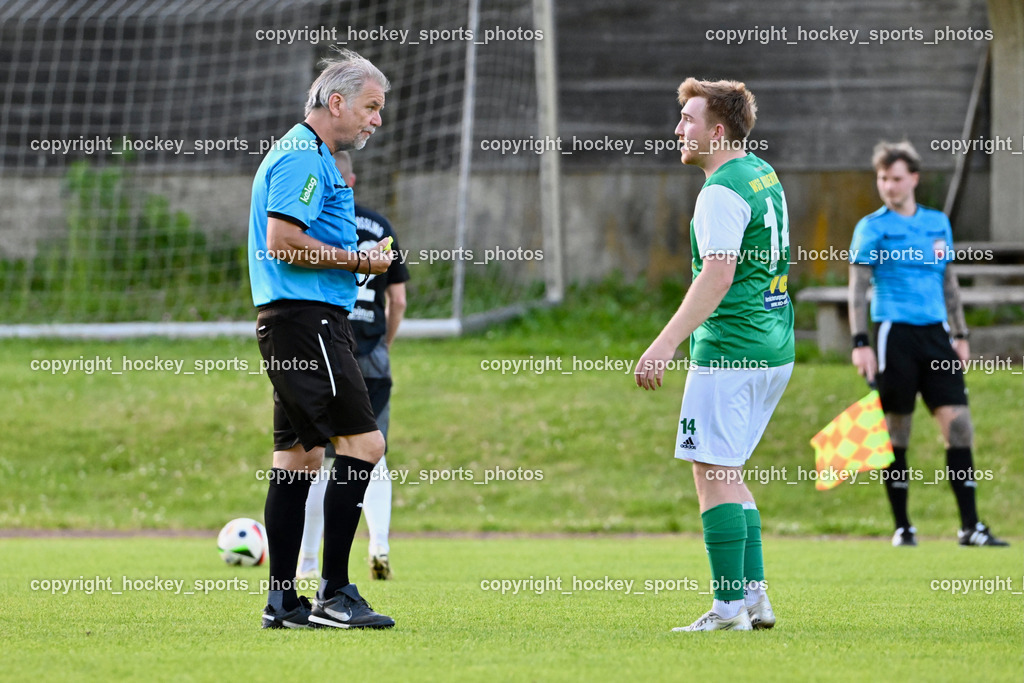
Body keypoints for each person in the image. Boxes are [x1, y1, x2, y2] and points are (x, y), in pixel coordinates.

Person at [635, 78, 794, 632]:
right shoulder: (762, 174)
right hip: (774, 344)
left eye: (688, 119)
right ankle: (754, 599)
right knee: (728, 470)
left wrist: (665, 342)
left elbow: (718, 273)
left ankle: (728, 608)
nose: (678, 129)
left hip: (732, 347)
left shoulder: (721, 190)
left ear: (717, 130)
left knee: (710, 471)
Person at [248, 48, 398, 630]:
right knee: (365, 446)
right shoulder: (303, 157)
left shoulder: (302, 153)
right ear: (335, 103)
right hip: (307, 323)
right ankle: (334, 592)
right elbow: (283, 240)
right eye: (370, 106)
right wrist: (353, 258)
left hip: (295, 321)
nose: (376, 120)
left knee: (299, 458)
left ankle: (283, 603)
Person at [847, 140, 1008, 548]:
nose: (889, 186)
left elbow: (948, 280)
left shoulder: (937, 223)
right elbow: (857, 288)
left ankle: (971, 527)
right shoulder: (872, 227)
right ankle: (903, 527)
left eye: (896, 178)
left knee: (960, 427)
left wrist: (961, 334)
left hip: (936, 336)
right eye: (882, 178)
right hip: (893, 335)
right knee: (896, 433)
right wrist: (860, 341)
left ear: (914, 179)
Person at [298, 150, 409, 582]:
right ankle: (379, 544)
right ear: (354, 180)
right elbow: (397, 299)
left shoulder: (319, 224)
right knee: (372, 454)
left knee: (318, 460)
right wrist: (384, 342)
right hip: (371, 354)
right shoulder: (380, 227)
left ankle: (308, 562)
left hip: (325, 344)